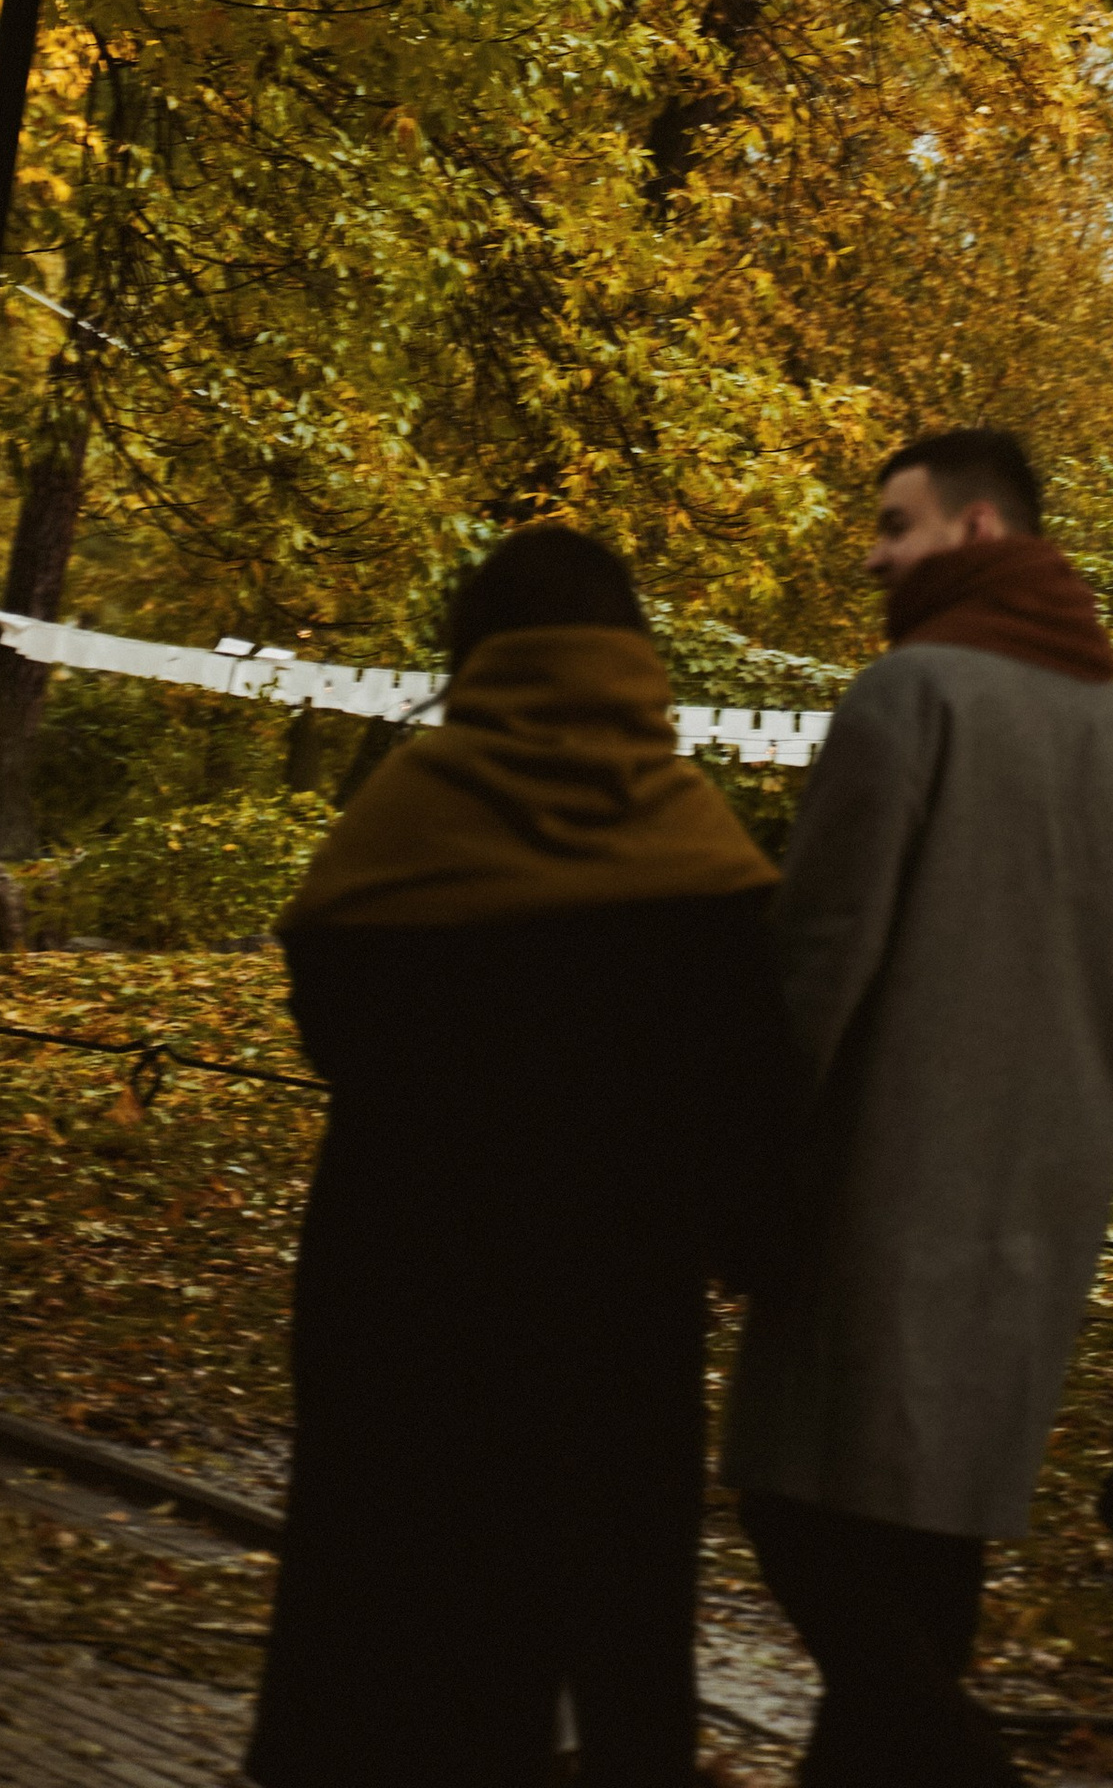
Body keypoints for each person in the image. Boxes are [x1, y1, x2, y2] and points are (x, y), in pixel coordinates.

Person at [723, 425, 1113, 1786]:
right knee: (921, 1591)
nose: (872, 551)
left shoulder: (909, 698)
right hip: (1031, 1265)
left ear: (974, 534)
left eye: (894, 525)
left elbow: (812, 977)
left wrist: (723, 1190)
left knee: (794, 1520)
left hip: (865, 1234)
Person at [245, 522, 802, 1788]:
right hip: (614, 1309)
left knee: (380, 1587)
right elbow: (755, 1094)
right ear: (631, 657)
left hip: (400, 1287)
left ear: (477, 652)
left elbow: (331, 1019)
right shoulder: (700, 856)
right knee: (614, 1591)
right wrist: (755, 1242)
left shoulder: (403, 816)